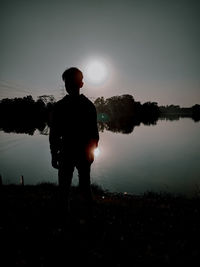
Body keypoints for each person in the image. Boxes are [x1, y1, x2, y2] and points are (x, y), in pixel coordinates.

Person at [49, 67, 99, 217]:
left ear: (81, 84)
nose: (68, 86)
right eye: (67, 83)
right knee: (70, 187)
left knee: (78, 187)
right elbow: (55, 133)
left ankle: (86, 216)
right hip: (69, 152)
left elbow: (94, 134)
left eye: (71, 83)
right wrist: (54, 153)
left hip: (77, 152)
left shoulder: (86, 106)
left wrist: (91, 152)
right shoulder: (61, 107)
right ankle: (76, 216)